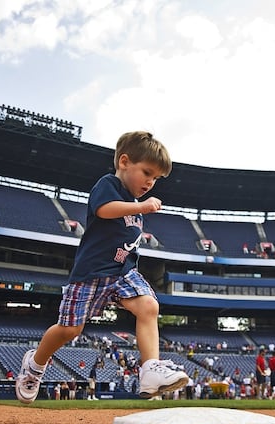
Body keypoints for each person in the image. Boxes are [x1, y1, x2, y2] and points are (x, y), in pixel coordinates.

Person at [15, 132, 188, 404]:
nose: (150, 182)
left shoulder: (135, 205)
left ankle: (150, 370)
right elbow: (104, 210)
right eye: (147, 172)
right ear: (124, 162)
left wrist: (138, 208)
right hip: (91, 273)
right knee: (69, 330)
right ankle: (34, 365)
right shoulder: (108, 185)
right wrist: (141, 206)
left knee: (149, 306)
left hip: (122, 272)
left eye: (156, 178)